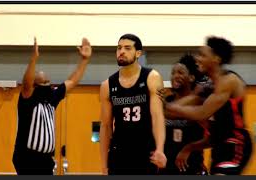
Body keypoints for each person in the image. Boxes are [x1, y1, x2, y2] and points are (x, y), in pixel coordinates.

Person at [164, 36, 252, 175]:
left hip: (235, 143)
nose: (197, 58)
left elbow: (201, 113)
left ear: (216, 59)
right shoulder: (206, 86)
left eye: (202, 55)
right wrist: (157, 107)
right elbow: (181, 105)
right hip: (217, 145)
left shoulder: (229, 80)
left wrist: (167, 107)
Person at [12, 37, 92, 175]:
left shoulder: (51, 97)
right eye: (43, 82)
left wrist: (84, 60)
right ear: (35, 86)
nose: (48, 84)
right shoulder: (27, 100)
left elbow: (71, 82)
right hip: (27, 159)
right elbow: (26, 83)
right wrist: (34, 59)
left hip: (46, 160)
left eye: (48, 81)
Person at [99, 33, 167, 175]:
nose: (121, 51)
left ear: (138, 53)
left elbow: (157, 117)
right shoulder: (107, 85)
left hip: (145, 152)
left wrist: (160, 149)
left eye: (127, 48)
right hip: (119, 154)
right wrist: (104, 165)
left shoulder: (152, 77)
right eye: (119, 48)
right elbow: (105, 126)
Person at [158, 54, 210, 175]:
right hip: (167, 168)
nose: (175, 76)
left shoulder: (199, 101)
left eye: (180, 72)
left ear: (191, 77)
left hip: (192, 167)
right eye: (173, 73)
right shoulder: (167, 100)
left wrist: (188, 148)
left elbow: (212, 136)